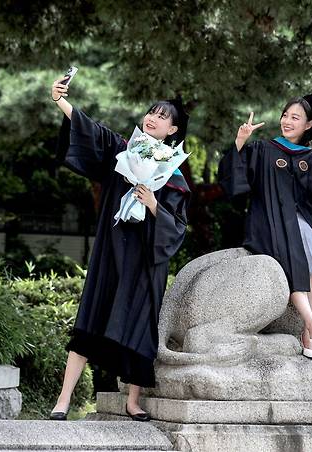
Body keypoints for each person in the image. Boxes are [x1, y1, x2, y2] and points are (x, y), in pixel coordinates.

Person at [49, 76, 190, 421]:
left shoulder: (173, 174)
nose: (152, 119)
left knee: (140, 325)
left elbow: (179, 226)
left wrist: (154, 203)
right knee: (91, 317)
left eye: (161, 117)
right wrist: (60, 102)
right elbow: (90, 131)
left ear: (172, 130)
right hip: (113, 251)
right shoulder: (123, 150)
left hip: (145, 260)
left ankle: (132, 401)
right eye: (151, 113)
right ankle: (63, 400)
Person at [218, 94, 312, 360]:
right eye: (285, 115)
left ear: (309, 125)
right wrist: (240, 141)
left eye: (295, 117)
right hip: (270, 222)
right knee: (298, 245)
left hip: (302, 221)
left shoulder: (311, 159)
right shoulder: (262, 150)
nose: (287, 121)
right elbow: (236, 180)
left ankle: (307, 330)